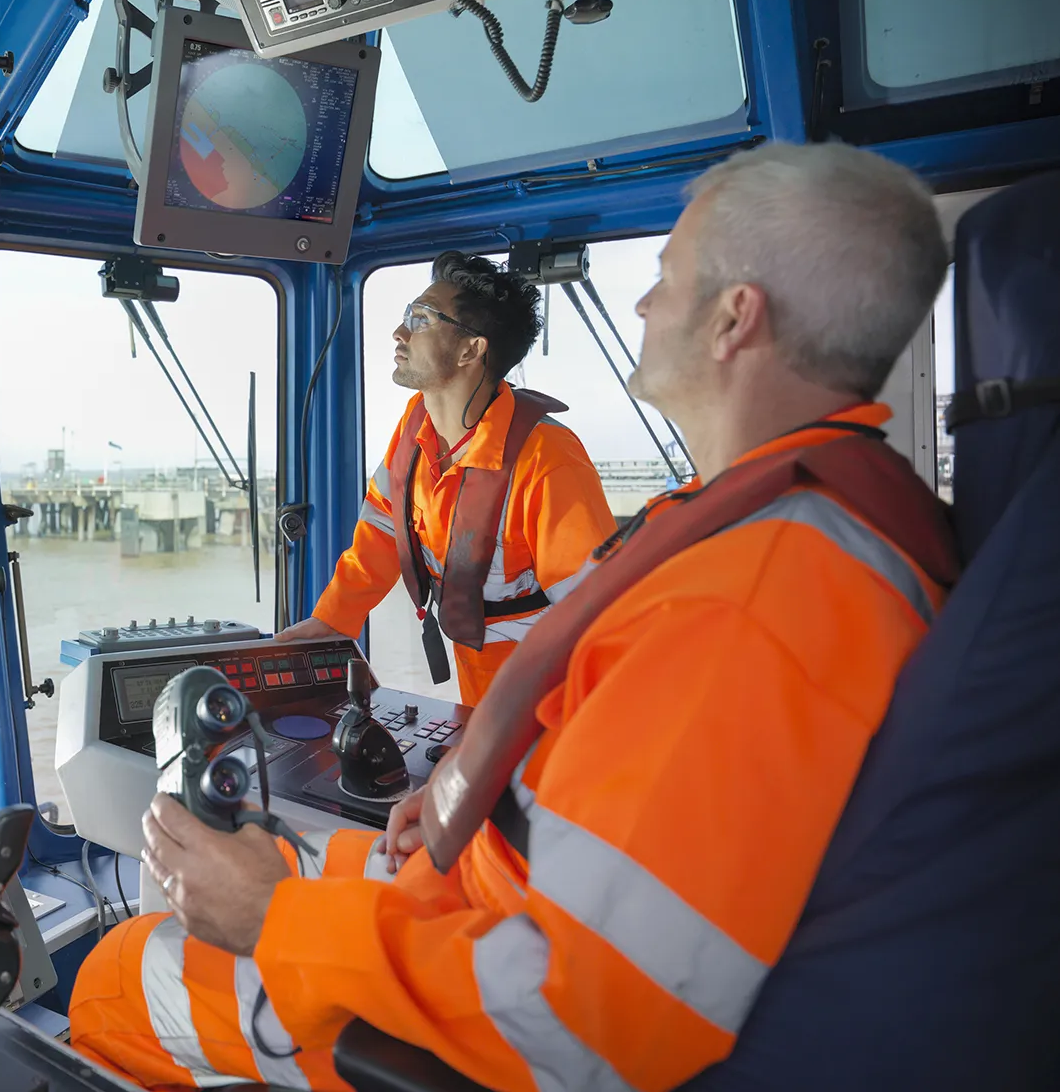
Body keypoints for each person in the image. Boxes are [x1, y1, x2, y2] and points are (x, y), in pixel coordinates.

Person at [68, 142, 957, 1091]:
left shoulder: (748, 597)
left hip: (480, 981)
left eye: (664, 278)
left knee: (117, 979)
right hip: (490, 867)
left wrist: (275, 920)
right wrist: (463, 795)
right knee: (289, 849)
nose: (644, 304)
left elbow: (574, 1017)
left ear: (736, 318)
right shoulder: (780, 527)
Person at [276, 251, 616, 706]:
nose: (399, 332)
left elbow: (598, 615)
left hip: (552, 697)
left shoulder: (548, 457)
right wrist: (333, 622)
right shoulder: (415, 427)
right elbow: (381, 527)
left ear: (471, 349)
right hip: (478, 687)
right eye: (406, 316)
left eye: (421, 319)